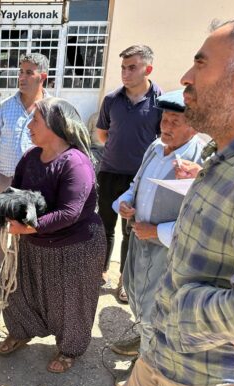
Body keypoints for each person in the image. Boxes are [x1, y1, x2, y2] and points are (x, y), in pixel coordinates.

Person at [117, 17, 234, 386]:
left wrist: (179, 304)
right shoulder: (219, 159)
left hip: (198, 378)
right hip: (159, 355)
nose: (187, 76)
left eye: (201, 63)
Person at [0, 97, 106, 374]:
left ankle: (70, 349)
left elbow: (69, 212)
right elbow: (16, 193)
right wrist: (6, 212)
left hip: (75, 247)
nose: (29, 125)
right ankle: (21, 331)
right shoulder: (30, 157)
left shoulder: (75, 163)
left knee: (70, 301)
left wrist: (27, 228)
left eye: (35, 120)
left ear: (56, 125)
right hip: (35, 242)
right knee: (22, 291)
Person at [109, 90, 203, 386]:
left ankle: (144, 373)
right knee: (136, 295)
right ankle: (143, 340)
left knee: (156, 310)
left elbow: (200, 220)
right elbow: (136, 184)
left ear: (194, 124)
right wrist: (123, 203)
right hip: (139, 241)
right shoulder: (155, 147)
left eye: (176, 120)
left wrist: (157, 231)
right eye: (164, 118)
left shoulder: (200, 160)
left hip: (167, 250)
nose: (167, 126)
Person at [95, 45, 163, 303]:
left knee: (130, 231)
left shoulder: (160, 100)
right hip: (110, 172)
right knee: (105, 226)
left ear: (148, 69)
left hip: (139, 178)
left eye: (132, 67)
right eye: (123, 67)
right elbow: (102, 134)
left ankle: (124, 279)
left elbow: (163, 137)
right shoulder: (112, 99)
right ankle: (100, 272)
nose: (125, 73)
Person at [0, 53, 50, 280]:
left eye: (29, 72)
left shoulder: (51, 109)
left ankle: (21, 270)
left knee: (28, 226)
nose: (22, 77)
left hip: (35, 183)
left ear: (43, 77)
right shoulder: (5, 106)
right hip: (4, 177)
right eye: (20, 71)